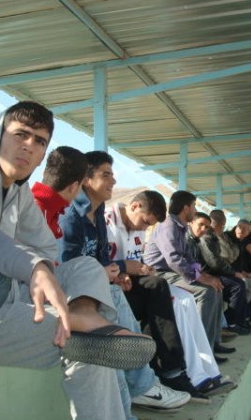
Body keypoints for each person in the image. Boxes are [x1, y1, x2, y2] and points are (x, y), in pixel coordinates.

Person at [0, 101, 153, 420]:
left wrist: (36, 269)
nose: (29, 146)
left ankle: (83, 313)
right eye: (21, 134)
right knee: (86, 340)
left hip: (6, 298)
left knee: (86, 270)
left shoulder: (19, 192)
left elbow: (40, 246)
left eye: (40, 141)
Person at [33, 148, 190, 416]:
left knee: (113, 330)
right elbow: (70, 266)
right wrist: (112, 271)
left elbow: (102, 259)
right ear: (85, 179)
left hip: (92, 289)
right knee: (113, 312)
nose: (114, 180)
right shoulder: (70, 215)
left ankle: (144, 387)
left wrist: (117, 274)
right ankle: (145, 385)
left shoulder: (97, 215)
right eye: (106, 175)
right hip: (68, 292)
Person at [105, 192, 232, 396]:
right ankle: (180, 372)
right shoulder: (107, 221)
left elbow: (186, 259)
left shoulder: (172, 227)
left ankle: (204, 369)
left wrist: (126, 271)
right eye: (145, 222)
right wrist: (123, 269)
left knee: (186, 298)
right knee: (180, 298)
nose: (145, 229)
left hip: (139, 278)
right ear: (135, 206)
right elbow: (173, 260)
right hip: (152, 277)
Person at [144, 191, 230, 359]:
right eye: (194, 206)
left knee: (217, 287)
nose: (195, 209)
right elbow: (174, 259)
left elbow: (188, 257)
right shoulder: (168, 225)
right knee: (206, 292)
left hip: (173, 271)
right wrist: (201, 278)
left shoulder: (180, 226)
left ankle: (213, 342)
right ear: (185, 208)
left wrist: (203, 274)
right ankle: (201, 350)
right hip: (159, 274)